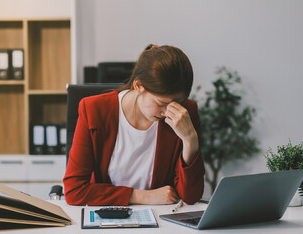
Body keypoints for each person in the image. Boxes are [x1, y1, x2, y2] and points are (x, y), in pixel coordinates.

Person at [63, 44, 205, 206]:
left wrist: (190, 141)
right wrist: (142, 196)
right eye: (161, 103)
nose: (168, 112)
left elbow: (191, 196)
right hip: (109, 218)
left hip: (162, 221)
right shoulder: (94, 110)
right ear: (138, 86)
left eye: (177, 103)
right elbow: (75, 191)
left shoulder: (184, 114)